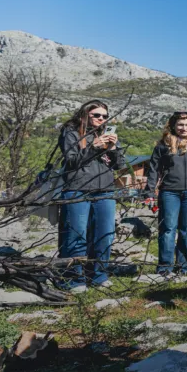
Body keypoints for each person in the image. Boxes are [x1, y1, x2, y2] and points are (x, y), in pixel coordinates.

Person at [57, 100, 125, 292]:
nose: (101, 119)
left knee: (105, 234)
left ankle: (99, 275)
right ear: (85, 114)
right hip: (77, 189)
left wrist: (112, 149)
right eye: (97, 115)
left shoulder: (106, 134)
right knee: (76, 234)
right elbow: (71, 161)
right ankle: (73, 278)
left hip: (105, 189)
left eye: (104, 116)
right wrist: (93, 147)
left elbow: (119, 165)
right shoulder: (71, 132)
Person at [144, 112, 187, 276]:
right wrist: (149, 192)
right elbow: (153, 170)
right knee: (168, 229)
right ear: (173, 126)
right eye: (180, 124)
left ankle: (184, 266)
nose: (184, 128)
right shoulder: (162, 145)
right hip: (169, 192)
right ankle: (164, 267)